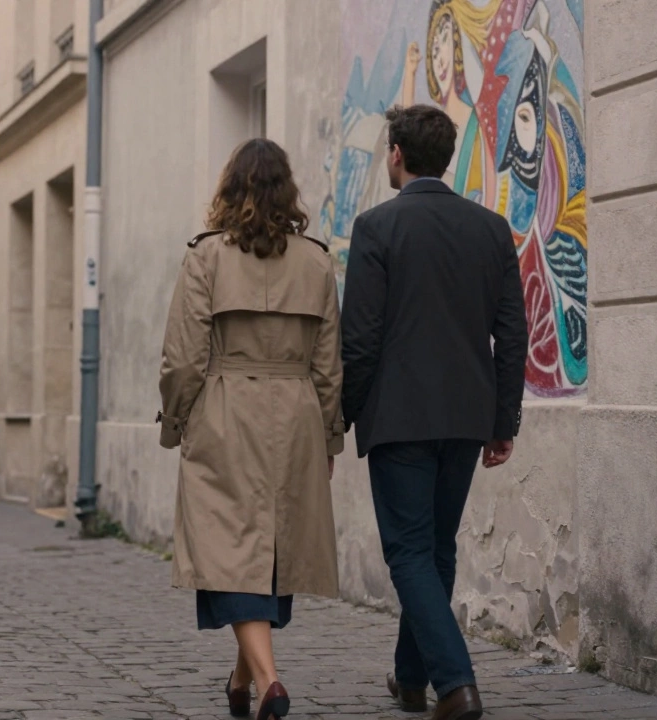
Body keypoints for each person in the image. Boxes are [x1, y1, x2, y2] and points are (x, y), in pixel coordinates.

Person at [340, 104, 528, 720]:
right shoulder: (491, 228)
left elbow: (360, 339)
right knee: (435, 548)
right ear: (444, 157)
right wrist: (502, 422)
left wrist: (341, 413)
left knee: (410, 553)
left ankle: (456, 685)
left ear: (396, 154)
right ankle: (411, 679)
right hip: (467, 417)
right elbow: (512, 334)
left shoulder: (375, 228)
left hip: (399, 419)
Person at [158, 138, 344, 720]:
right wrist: (329, 435)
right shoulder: (316, 260)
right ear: (287, 190)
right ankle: (240, 683)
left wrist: (177, 422)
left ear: (229, 188)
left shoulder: (205, 257)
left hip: (223, 409)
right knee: (271, 545)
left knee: (232, 545)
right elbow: (329, 364)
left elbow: (183, 357)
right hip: (295, 413)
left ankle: (267, 683)